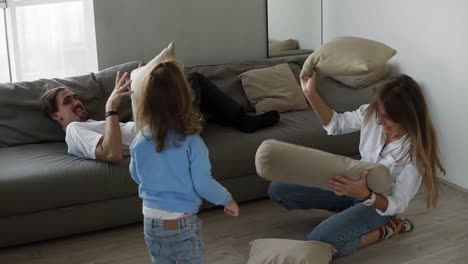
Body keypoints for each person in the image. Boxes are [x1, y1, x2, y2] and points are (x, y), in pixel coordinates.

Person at [268, 71, 446, 257]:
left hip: (378, 204)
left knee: (320, 244)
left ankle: (388, 228)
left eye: (385, 117)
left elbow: (398, 202)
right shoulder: (372, 113)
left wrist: (365, 195)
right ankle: (347, 209)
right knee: (279, 189)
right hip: (352, 186)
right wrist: (310, 93)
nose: (378, 120)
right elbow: (335, 124)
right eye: (378, 113)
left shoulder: (415, 153)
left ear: (407, 117)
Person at [129, 60, 239, 263]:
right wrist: (227, 199)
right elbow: (203, 183)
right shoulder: (192, 142)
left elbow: (136, 174)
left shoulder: (139, 140)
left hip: (150, 221)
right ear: (184, 99)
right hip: (180, 222)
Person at [41, 69, 279, 162]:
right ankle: (243, 121)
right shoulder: (74, 131)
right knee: (191, 79)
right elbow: (112, 154)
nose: (77, 102)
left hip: (158, 128)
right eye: (67, 101)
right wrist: (111, 107)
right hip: (167, 137)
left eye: (75, 97)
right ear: (56, 116)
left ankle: (219, 116)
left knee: (176, 80)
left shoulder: (90, 124)